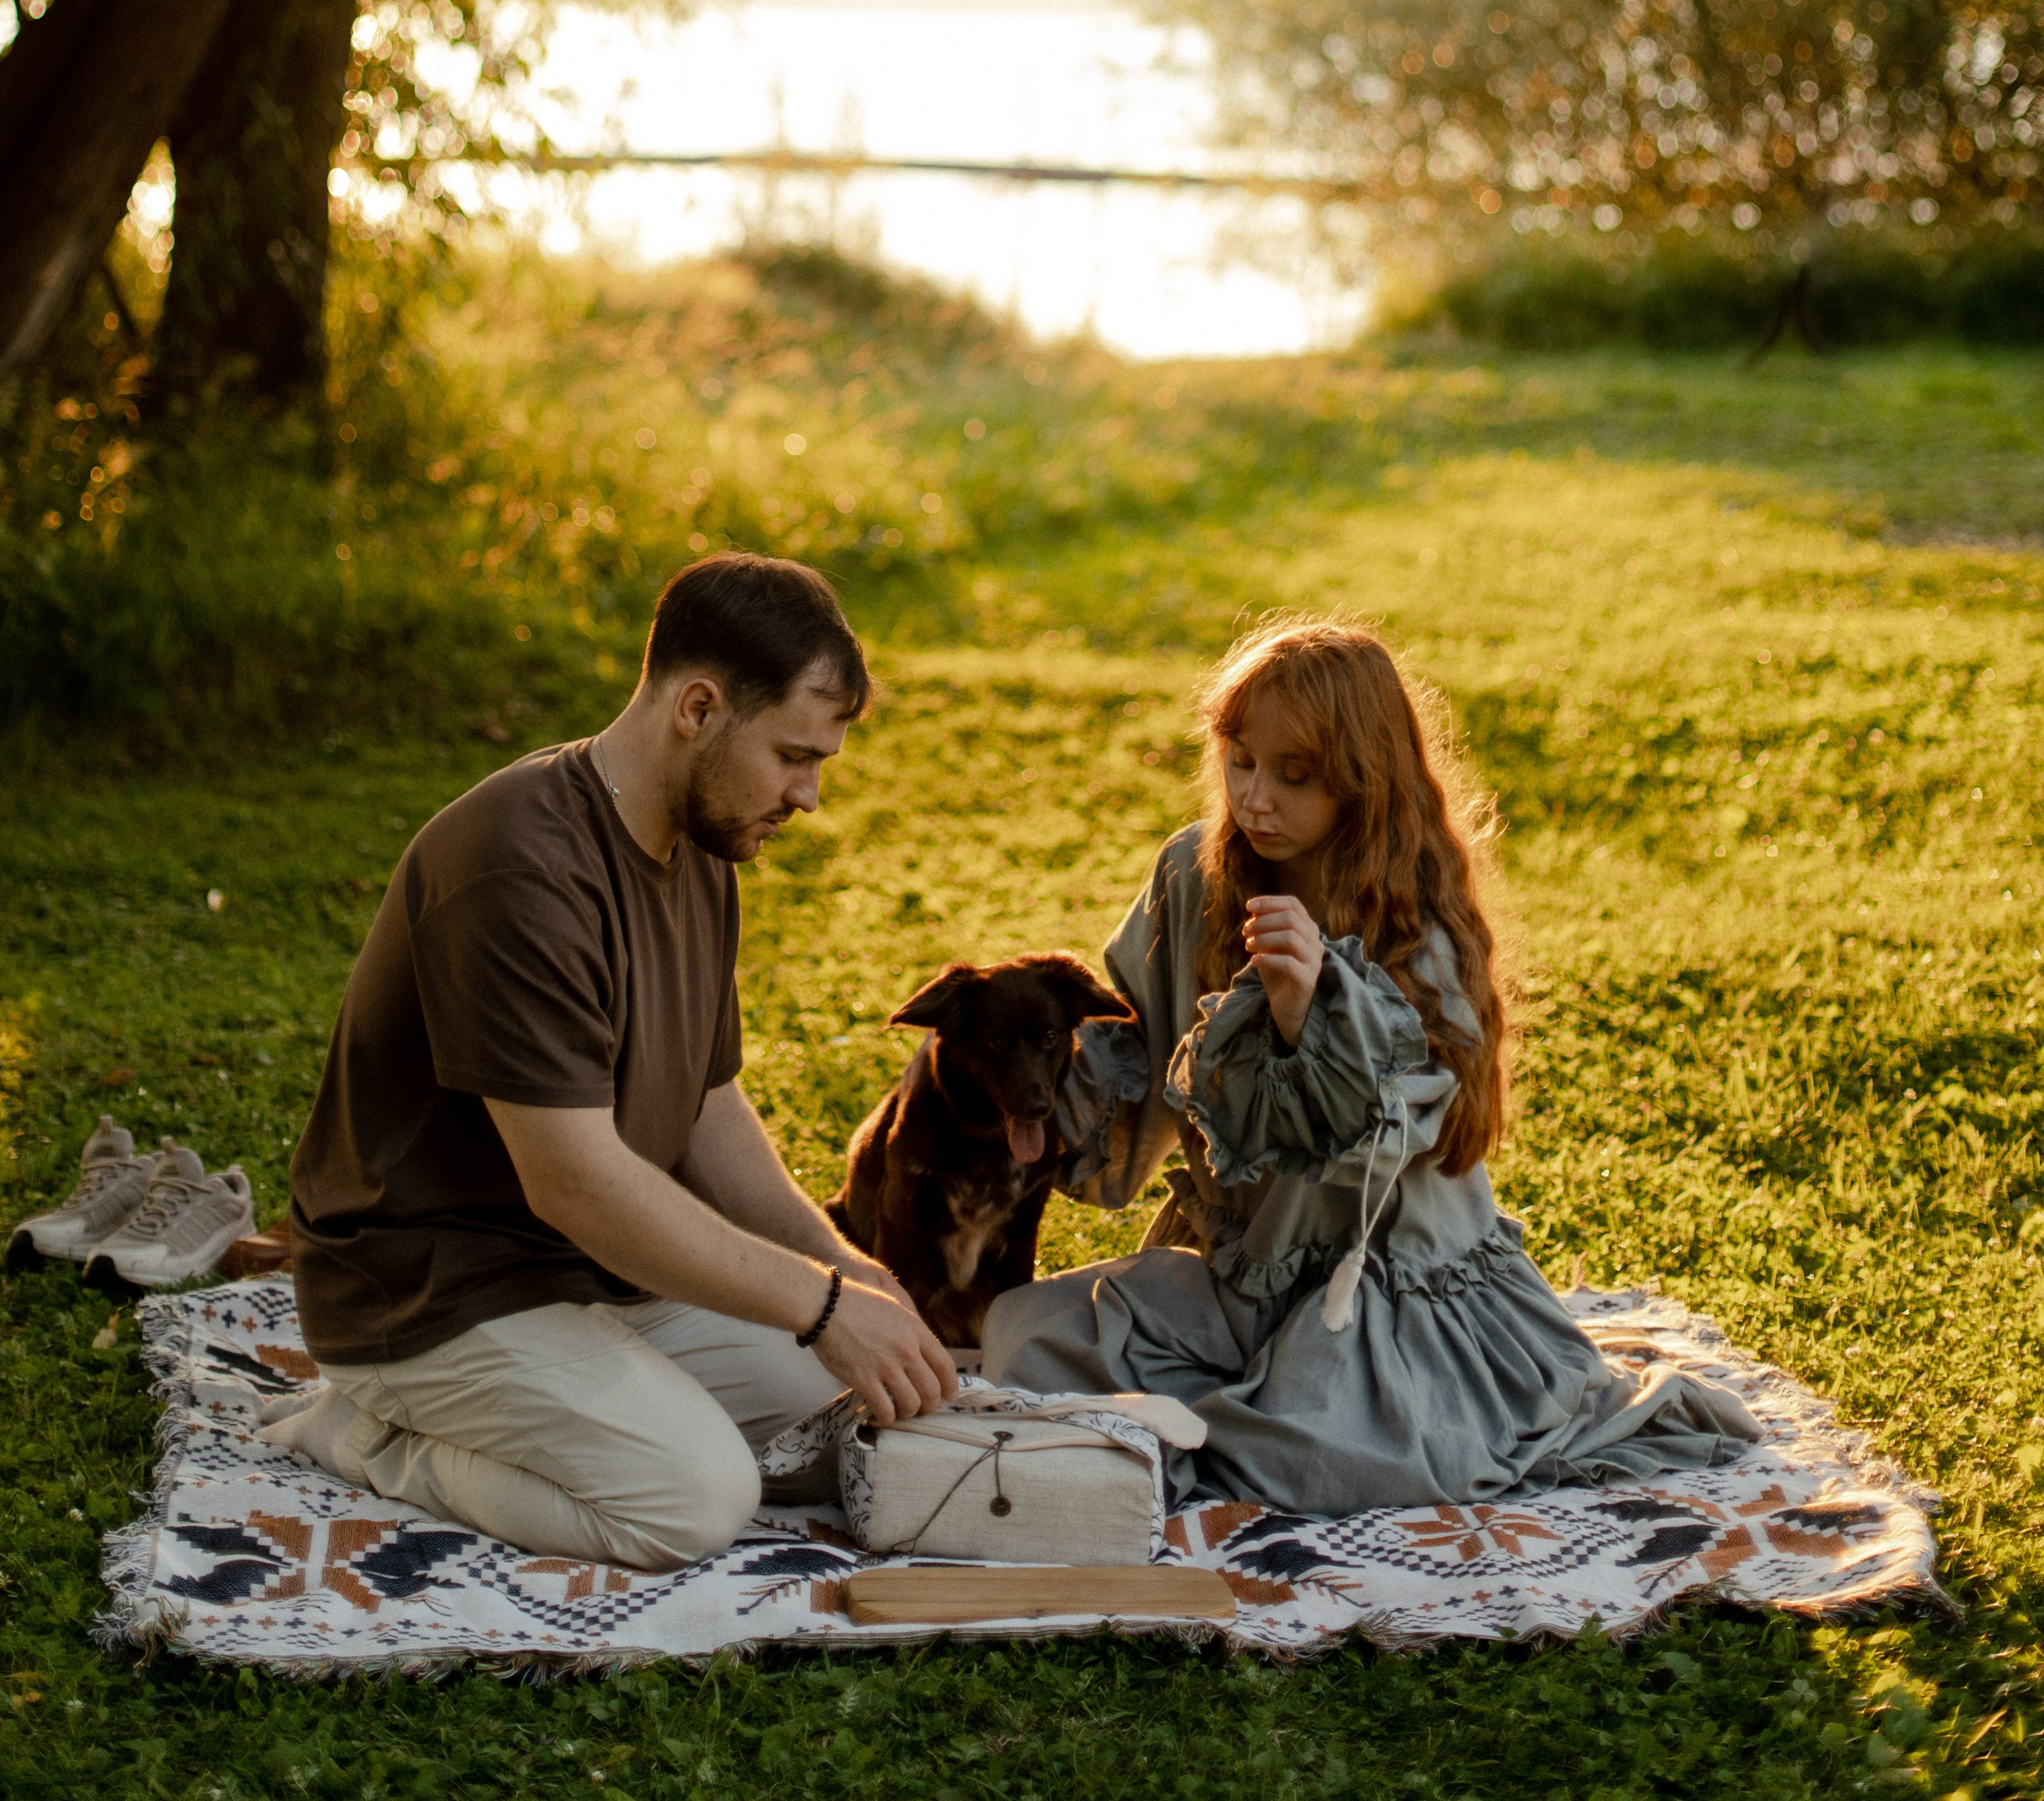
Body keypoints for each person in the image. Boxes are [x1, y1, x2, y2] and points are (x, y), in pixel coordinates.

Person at [980, 617, 1760, 1513]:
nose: (1255, 798)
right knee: (1021, 1337)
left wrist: (1304, 1011)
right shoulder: (1192, 879)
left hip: (1381, 1287)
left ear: (1360, 783)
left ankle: (1244, 1422)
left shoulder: (1410, 921)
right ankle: (1213, 1410)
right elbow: (1141, 1058)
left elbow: (1377, 1141)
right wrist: (1029, 1076)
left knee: (1320, 1455)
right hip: (1236, 1275)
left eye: (1294, 776)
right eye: (1239, 760)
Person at [273, 553, 956, 1571]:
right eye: (793, 756)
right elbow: (578, 1185)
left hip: (586, 1276)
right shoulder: (516, 865)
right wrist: (813, 1305)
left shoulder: (702, 842)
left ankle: (599, 1398)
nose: (809, 797)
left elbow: (707, 1105)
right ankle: (369, 1433)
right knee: (694, 1503)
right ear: (697, 708)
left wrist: (847, 1274)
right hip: (430, 1289)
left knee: (850, 1394)